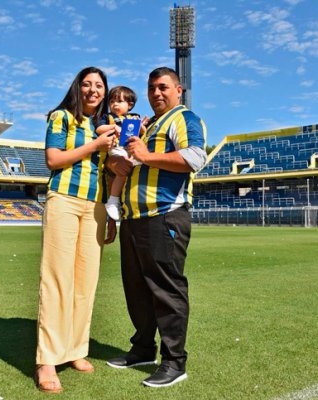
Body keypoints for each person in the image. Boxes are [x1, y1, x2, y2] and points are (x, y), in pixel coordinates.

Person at [106, 67, 207, 388]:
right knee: (136, 289)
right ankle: (143, 349)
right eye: (151, 88)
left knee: (166, 289)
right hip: (134, 218)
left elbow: (195, 157)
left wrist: (147, 156)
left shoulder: (184, 118)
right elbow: (131, 160)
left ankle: (175, 362)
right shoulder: (147, 125)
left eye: (163, 87)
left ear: (179, 90)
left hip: (165, 216)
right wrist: (120, 162)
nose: (156, 93)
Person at [36, 66, 117, 394]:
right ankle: (47, 359)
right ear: (77, 88)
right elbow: (53, 160)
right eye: (87, 84)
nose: (93, 90)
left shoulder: (106, 126)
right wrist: (96, 144)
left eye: (99, 86)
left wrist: (111, 214)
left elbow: (109, 173)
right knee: (57, 280)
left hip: (95, 206)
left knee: (86, 282)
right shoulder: (61, 118)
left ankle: (75, 350)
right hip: (64, 200)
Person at [96, 85, 147, 220]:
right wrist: (114, 127)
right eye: (112, 101)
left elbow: (143, 132)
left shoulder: (134, 117)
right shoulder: (107, 117)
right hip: (117, 150)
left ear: (129, 105)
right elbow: (99, 129)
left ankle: (131, 198)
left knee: (141, 166)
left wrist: (142, 126)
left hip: (131, 150)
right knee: (122, 170)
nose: (114, 104)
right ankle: (113, 200)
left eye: (119, 101)